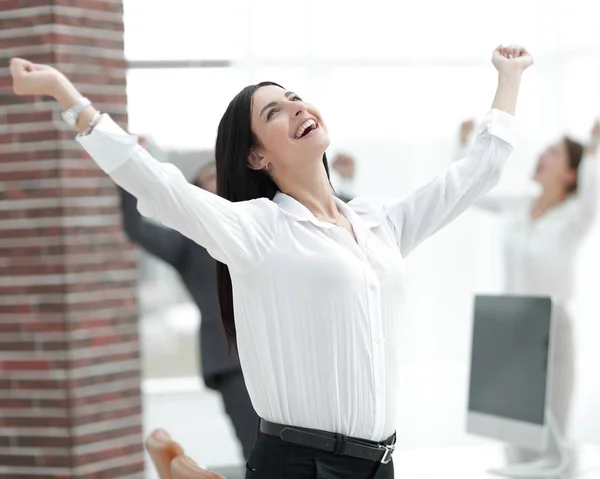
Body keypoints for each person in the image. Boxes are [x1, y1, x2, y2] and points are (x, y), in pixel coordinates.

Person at [10, 44, 532, 479]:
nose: (297, 108)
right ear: (257, 156)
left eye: (296, 98)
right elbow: (156, 183)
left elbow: (473, 174)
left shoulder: (379, 224)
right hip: (301, 466)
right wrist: (67, 96)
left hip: (380, 464)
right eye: (274, 112)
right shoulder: (256, 230)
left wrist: (508, 79)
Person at [456, 118, 599, 474]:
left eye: (554, 154)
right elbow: (469, 192)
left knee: (550, 434)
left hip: (551, 328)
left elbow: (593, 183)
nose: (542, 156)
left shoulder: (574, 216)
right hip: (511, 326)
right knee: (512, 431)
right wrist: (463, 146)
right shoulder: (518, 206)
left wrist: (594, 148)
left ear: (570, 175)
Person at [118, 138, 258, 460]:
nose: (220, 179)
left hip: (278, 356)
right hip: (232, 361)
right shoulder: (186, 243)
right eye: (211, 176)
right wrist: (130, 166)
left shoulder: (260, 224)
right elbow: (135, 226)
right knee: (257, 450)